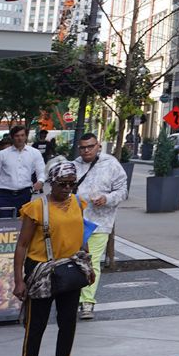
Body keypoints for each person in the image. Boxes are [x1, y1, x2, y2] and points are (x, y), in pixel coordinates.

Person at [13, 160, 87, 356]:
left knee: (68, 323)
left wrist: (87, 266)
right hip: (41, 270)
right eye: (62, 184)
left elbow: (82, 235)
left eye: (72, 184)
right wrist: (18, 280)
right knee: (36, 325)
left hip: (70, 268)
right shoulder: (36, 208)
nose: (67, 188)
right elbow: (22, 245)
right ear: (51, 183)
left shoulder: (78, 203)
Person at [65, 132, 128, 319]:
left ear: (98, 146)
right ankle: (72, 297)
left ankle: (87, 302)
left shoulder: (111, 164)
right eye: (83, 147)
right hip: (74, 221)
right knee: (72, 260)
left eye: (90, 147)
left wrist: (106, 198)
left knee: (91, 261)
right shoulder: (73, 166)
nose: (86, 151)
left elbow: (123, 191)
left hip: (100, 222)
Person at [0, 125, 45, 216]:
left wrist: (40, 181)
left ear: (26, 136)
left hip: (24, 194)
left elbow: (41, 170)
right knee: (3, 221)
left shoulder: (35, 153)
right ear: (12, 137)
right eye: (17, 136)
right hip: (4, 194)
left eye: (22, 135)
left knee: (22, 221)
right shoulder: (2, 154)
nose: (20, 138)